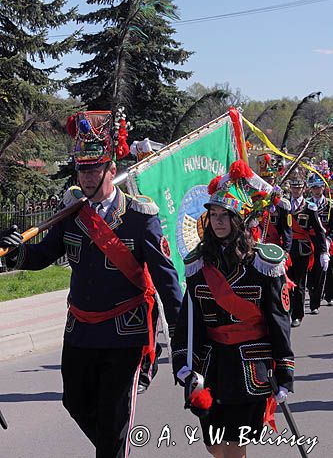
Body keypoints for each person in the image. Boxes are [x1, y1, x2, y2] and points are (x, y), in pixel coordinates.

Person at [0, 110, 183, 458]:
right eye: (82, 169)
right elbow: (41, 256)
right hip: (80, 330)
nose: (86, 177)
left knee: (114, 423)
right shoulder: (71, 214)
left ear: (111, 170)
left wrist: (182, 336)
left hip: (125, 334)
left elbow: (166, 280)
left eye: (94, 169)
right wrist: (14, 250)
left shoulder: (139, 218)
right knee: (76, 403)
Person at [171, 160, 294, 458]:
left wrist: (285, 369)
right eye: (213, 215)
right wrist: (184, 364)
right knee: (213, 445)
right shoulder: (198, 265)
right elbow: (190, 322)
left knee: (234, 445)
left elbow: (278, 319)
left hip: (249, 365)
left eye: (225, 215)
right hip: (211, 366)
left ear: (239, 219)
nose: (218, 221)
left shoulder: (261, 265)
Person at [287, 173, 328, 325]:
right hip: (287, 249)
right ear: (290, 188)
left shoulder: (310, 207)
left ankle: (297, 315)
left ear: (304, 189)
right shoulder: (284, 205)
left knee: (299, 284)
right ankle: (287, 311)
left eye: (298, 188)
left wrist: (323, 251)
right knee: (286, 283)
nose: (296, 190)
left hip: (303, 250)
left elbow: (318, 230)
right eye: (293, 188)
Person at [255, 153, 292, 253]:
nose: (266, 183)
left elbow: (287, 232)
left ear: (274, 180)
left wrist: (286, 252)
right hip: (254, 247)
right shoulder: (252, 200)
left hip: (274, 249)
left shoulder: (282, 204)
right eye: (264, 180)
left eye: (269, 180)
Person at [306, 170, 332, 308]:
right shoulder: (306, 204)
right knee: (311, 271)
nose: (317, 190)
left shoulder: (329, 205)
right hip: (309, 240)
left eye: (319, 187)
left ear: (323, 187)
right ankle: (312, 292)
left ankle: (318, 300)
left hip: (326, 240)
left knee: (325, 269)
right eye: (314, 187)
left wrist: (328, 240)